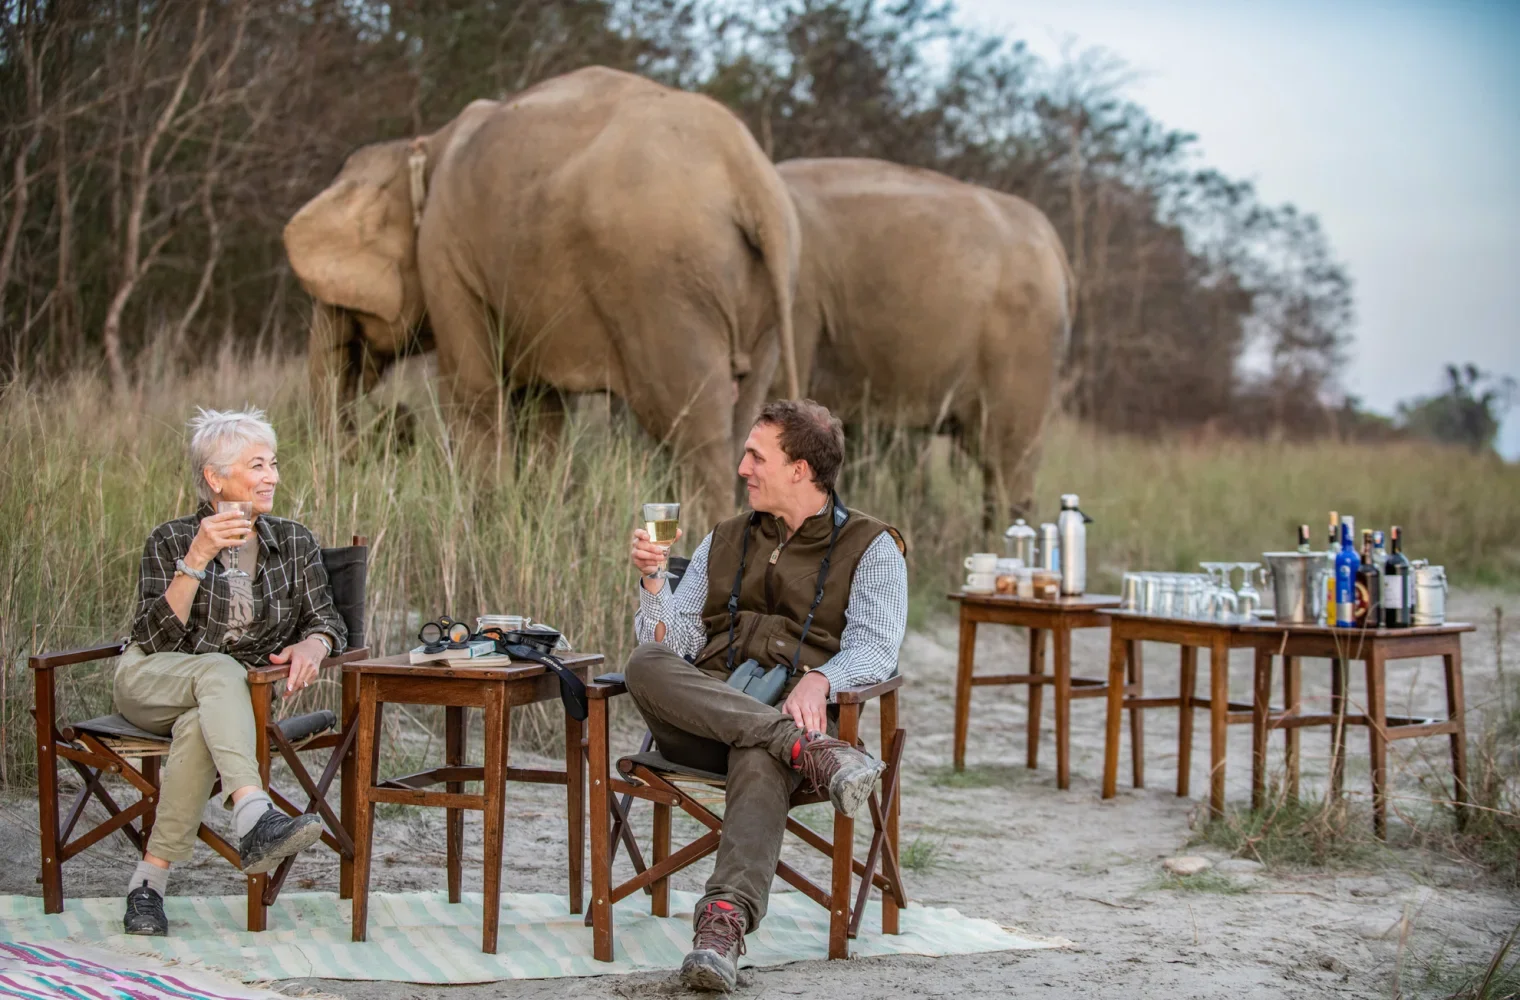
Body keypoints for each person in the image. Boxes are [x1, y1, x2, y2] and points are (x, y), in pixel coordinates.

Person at [626, 399, 908, 992]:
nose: (742, 468)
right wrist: (654, 580)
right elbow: (674, 641)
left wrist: (822, 677)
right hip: (723, 726)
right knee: (645, 661)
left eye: (757, 456)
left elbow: (878, 648)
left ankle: (720, 930)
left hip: (783, 730)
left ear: (800, 469)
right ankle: (807, 750)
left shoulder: (874, 547)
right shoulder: (724, 538)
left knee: (759, 752)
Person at [118, 408, 347, 936]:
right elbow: (152, 641)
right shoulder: (171, 539)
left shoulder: (292, 541)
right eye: (257, 465)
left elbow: (326, 618)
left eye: (273, 464)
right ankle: (254, 815)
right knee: (219, 669)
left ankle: (147, 885)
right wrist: (197, 556)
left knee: (205, 721)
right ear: (215, 478)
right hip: (151, 679)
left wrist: (315, 644)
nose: (272, 476)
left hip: (218, 708)